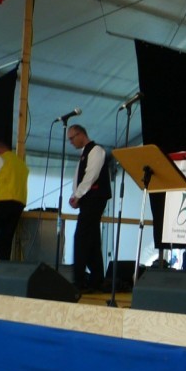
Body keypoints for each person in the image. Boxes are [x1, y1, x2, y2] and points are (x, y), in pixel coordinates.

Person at [67, 125, 111, 292]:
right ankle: (97, 279)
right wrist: (75, 195)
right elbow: (78, 178)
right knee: (91, 239)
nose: (71, 142)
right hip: (88, 199)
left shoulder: (96, 150)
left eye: (72, 138)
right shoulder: (84, 154)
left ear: (81, 134)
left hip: (95, 198)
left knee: (81, 237)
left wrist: (78, 195)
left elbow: (91, 175)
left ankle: (79, 280)